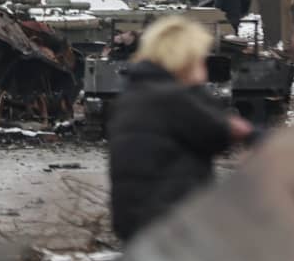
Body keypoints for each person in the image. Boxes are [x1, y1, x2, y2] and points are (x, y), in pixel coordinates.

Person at [107, 15, 254, 241]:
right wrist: (196, 88)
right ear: (184, 58)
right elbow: (217, 134)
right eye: (199, 58)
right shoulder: (171, 98)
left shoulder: (138, 92)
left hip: (142, 223)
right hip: (168, 226)